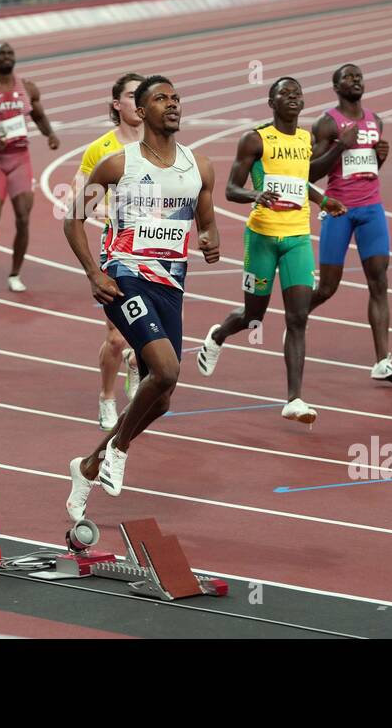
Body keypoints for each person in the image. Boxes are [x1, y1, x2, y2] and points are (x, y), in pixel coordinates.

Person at [63, 75, 221, 519]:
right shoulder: (118, 165)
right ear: (141, 109)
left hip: (171, 284)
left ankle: (91, 462)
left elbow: (207, 223)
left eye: (176, 97)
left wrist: (210, 240)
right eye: (161, 98)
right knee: (168, 369)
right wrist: (94, 273)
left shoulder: (200, 167)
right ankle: (120, 447)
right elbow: (72, 220)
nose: (172, 104)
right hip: (124, 277)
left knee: (164, 395)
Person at [195, 77, 348, 423]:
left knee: (298, 317)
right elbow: (232, 188)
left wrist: (324, 199)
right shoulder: (256, 139)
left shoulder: (307, 139)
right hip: (262, 238)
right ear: (271, 102)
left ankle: (294, 399)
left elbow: (299, 180)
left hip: (297, 239)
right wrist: (255, 195)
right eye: (285, 94)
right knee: (253, 317)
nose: (293, 98)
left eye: (297, 94)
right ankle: (218, 334)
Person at [308, 64, 392, 383]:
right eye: (348, 77)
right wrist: (339, 145)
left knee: (379, 282)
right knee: (327, 287)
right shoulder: (326, 123)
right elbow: (310, 173)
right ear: (336, 87)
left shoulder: (376, 120)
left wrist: (382, 157)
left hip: (371, 209)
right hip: (340, 210)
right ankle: (297, 320)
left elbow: (369, 166)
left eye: (359, 76)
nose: (355, 80)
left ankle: (382, 361)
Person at [65, 72, 146, 430]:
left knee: (149, 331)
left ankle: (136, 359)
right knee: (115, 335)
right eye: (131, 96)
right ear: (117, 104)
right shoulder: (101, 148)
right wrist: (96, 207)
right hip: (118, 247)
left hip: (159, 248)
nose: (139, 102)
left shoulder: (162, 143)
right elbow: (81, 189)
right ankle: (107, 398)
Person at [0, 42, 59, 291]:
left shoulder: (27, 87)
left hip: (20, 159)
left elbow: (38, 115)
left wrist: (50, 134)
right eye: (1, 54)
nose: (6, 57)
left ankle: (15, 274)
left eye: (10, 53)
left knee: (23, 219)